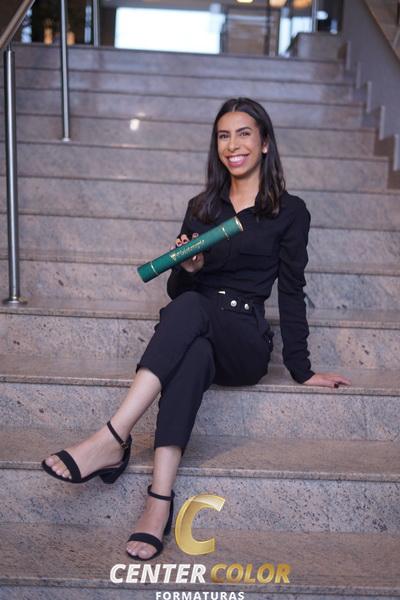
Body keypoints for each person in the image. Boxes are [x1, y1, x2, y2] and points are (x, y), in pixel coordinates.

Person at [41, 97, 351, 561]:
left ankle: (112, 436)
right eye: (224, 136)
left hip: (244, 341)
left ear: (265, 143)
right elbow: (177, 288)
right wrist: (192, 266)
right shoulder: (202, 207)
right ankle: (159, 499)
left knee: (189, 310)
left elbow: (291, 291)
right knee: (190, 347)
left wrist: (302, 369)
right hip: (197, 329)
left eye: (244, 134)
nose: (233, 145)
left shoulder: (289, 211)